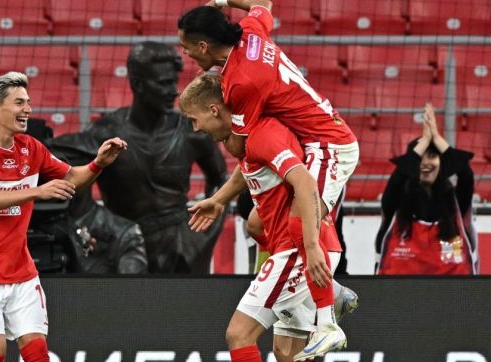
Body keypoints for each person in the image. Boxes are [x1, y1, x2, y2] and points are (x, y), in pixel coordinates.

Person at [178, 0, 360, 344]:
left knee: (301, 220)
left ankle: (327, 321)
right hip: (313, 140)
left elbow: (240, 147)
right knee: (256, 223)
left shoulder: (241, 82)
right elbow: (263, 3)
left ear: (203, 46)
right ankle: (327, 286)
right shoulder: (250, 31)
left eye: (186, 47)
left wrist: (221, 127)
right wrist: (223, 2)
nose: (185, 54)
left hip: (328, 145)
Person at [0, 71, 127, 362]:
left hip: (21, 270)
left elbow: (72, 177)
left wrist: (98, 164)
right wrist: (36, 191)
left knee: (37, 353)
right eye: (19, 102)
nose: (28, 109)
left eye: (28, 102)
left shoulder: (31, 148)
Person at [181, 74, 350, 362]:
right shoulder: (246, 135)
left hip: (299, 248)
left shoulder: (263, 134)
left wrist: (311, 249)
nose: (195, 127)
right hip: (303, 246)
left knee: (239, 334)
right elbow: (251, 167)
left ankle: (323, 288)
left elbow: (304, 181)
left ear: (214, 110)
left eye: (194, 119)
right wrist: (219, 199)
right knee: (289, 354)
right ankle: (324, 288)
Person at [54, 41, 227, 273]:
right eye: (163, 83)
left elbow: (220, 179)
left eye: (173, 82)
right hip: (122, 242)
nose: (173, 91)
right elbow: (66, 171)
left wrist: (202, 237)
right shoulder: (105, 133)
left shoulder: (191, 130)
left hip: (181, 245)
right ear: (137, 83)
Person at [376, 103, 476, 274]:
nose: (426, 163)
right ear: (412, 164)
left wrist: (436, 137)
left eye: (432, 156)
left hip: (453, 290)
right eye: (420, 157)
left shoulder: (456, 203)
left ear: (442, 162)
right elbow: (398, 177)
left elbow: (466, 174)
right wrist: (424, 140)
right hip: (399, 289)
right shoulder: (396, 202)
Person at [48, 136, 149, 274]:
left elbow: (133, 286)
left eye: (70, 172)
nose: (60, 179)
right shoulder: (35, 225)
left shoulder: (123, 233)